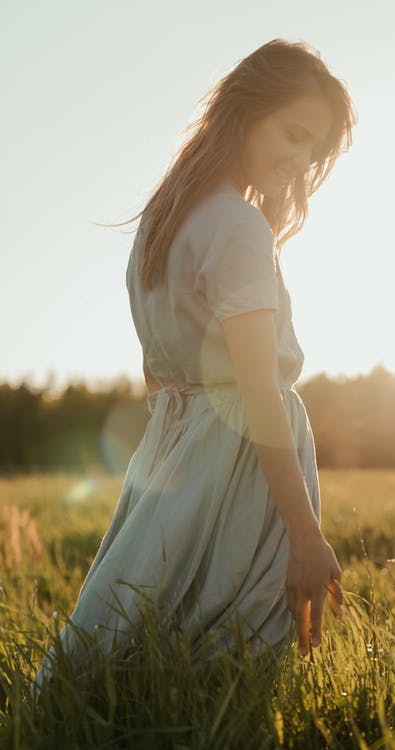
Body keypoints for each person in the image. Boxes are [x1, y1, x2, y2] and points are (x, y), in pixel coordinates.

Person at [33, 38, 356, 692]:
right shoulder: (238, 226)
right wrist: (304, 534)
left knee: (144, 620)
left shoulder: (165, 218)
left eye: (311, 151)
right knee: (229, 653)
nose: (299, 162)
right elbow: (258, 388)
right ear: (245, 110)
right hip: (239, 459)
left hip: (172, 445)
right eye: (292, 135)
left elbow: (157, 373)